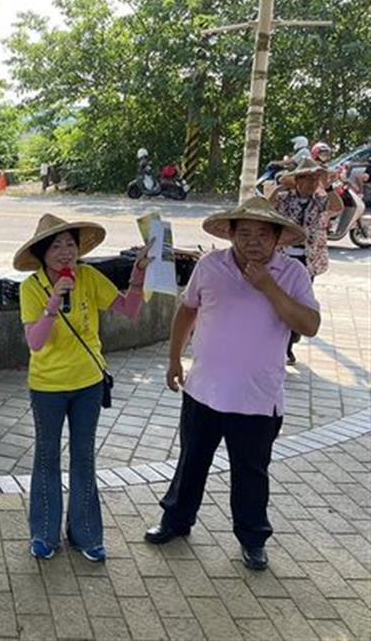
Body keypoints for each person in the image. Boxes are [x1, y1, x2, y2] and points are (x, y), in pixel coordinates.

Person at [145, 197, 319, 571]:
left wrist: (268, 286)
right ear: (231, 234)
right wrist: (175, 358)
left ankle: (253, 538)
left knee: (251, 473)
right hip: (203, 389)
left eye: (261, 234)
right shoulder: (210, 266)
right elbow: (187, 309)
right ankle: (176, 520)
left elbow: (309, 325)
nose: (252, 241)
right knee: (192, 461)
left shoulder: (292, 274)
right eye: (244, 233)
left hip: (258, 397)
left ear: (277, 238)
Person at [15, 214, 151, 562]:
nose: (65, 251)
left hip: (88, 383)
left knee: (84, 456)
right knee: (47, 457)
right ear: (43, 252)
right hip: (47, 387)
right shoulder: (31, 288)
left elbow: (129, 310)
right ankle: (44, 534)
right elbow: (35, 343)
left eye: (70, 244)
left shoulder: (88, 276)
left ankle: (87, 535)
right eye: (57, 245)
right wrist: (52, 304)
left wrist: (138, 276)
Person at [270, 157, 342, 364]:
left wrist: (327, 187)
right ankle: (279, 345)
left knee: (300, 303)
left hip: (307, 260)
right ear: (298, 180)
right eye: (307, 179)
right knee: (277, 300)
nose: (311, 184)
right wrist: (280, 185)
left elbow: (337, 207)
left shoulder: (320, 201)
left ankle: (290, 344)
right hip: (282, 257)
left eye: (314, 179)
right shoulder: (285, 198)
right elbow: (267, 205)